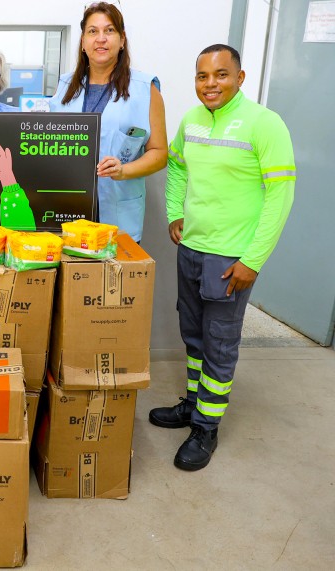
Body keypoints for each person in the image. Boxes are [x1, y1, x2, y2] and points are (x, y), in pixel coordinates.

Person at [149, 44, 295, 471]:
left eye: (220, 75)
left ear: (240, 77)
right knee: (192, 335)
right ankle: (194, 405)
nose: (210, 84)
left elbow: (280, 196)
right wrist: (175, 212)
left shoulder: (265, 124)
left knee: (219, 343)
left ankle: (206, 428)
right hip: (192, 249)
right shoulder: (192, 120)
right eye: (202, 76)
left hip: (230, 257)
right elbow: (176, 166)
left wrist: (254, 260)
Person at [49, 1, 167, 243]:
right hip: (68, 210)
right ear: (83, 42)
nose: (100, 39)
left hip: (118, 214)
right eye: (93, 31)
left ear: (122, 40)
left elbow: (159, 152)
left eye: (109, 30)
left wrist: (124, 170)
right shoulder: (63, 87)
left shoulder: (145, 89)